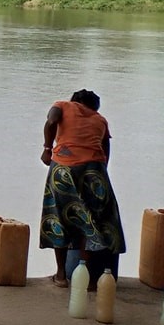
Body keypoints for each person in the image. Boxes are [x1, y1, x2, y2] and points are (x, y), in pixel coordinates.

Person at [40, 88, 125, 289]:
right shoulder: (100, 119)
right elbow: (105, 151)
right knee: (90, 221)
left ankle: (61, 276)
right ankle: (86, 277)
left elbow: (51, 121)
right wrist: (99, 176)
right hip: (94, 170)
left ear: (74, 100)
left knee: (59, 217)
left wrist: (47, 149)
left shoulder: (62, 105)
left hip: (64, 167)